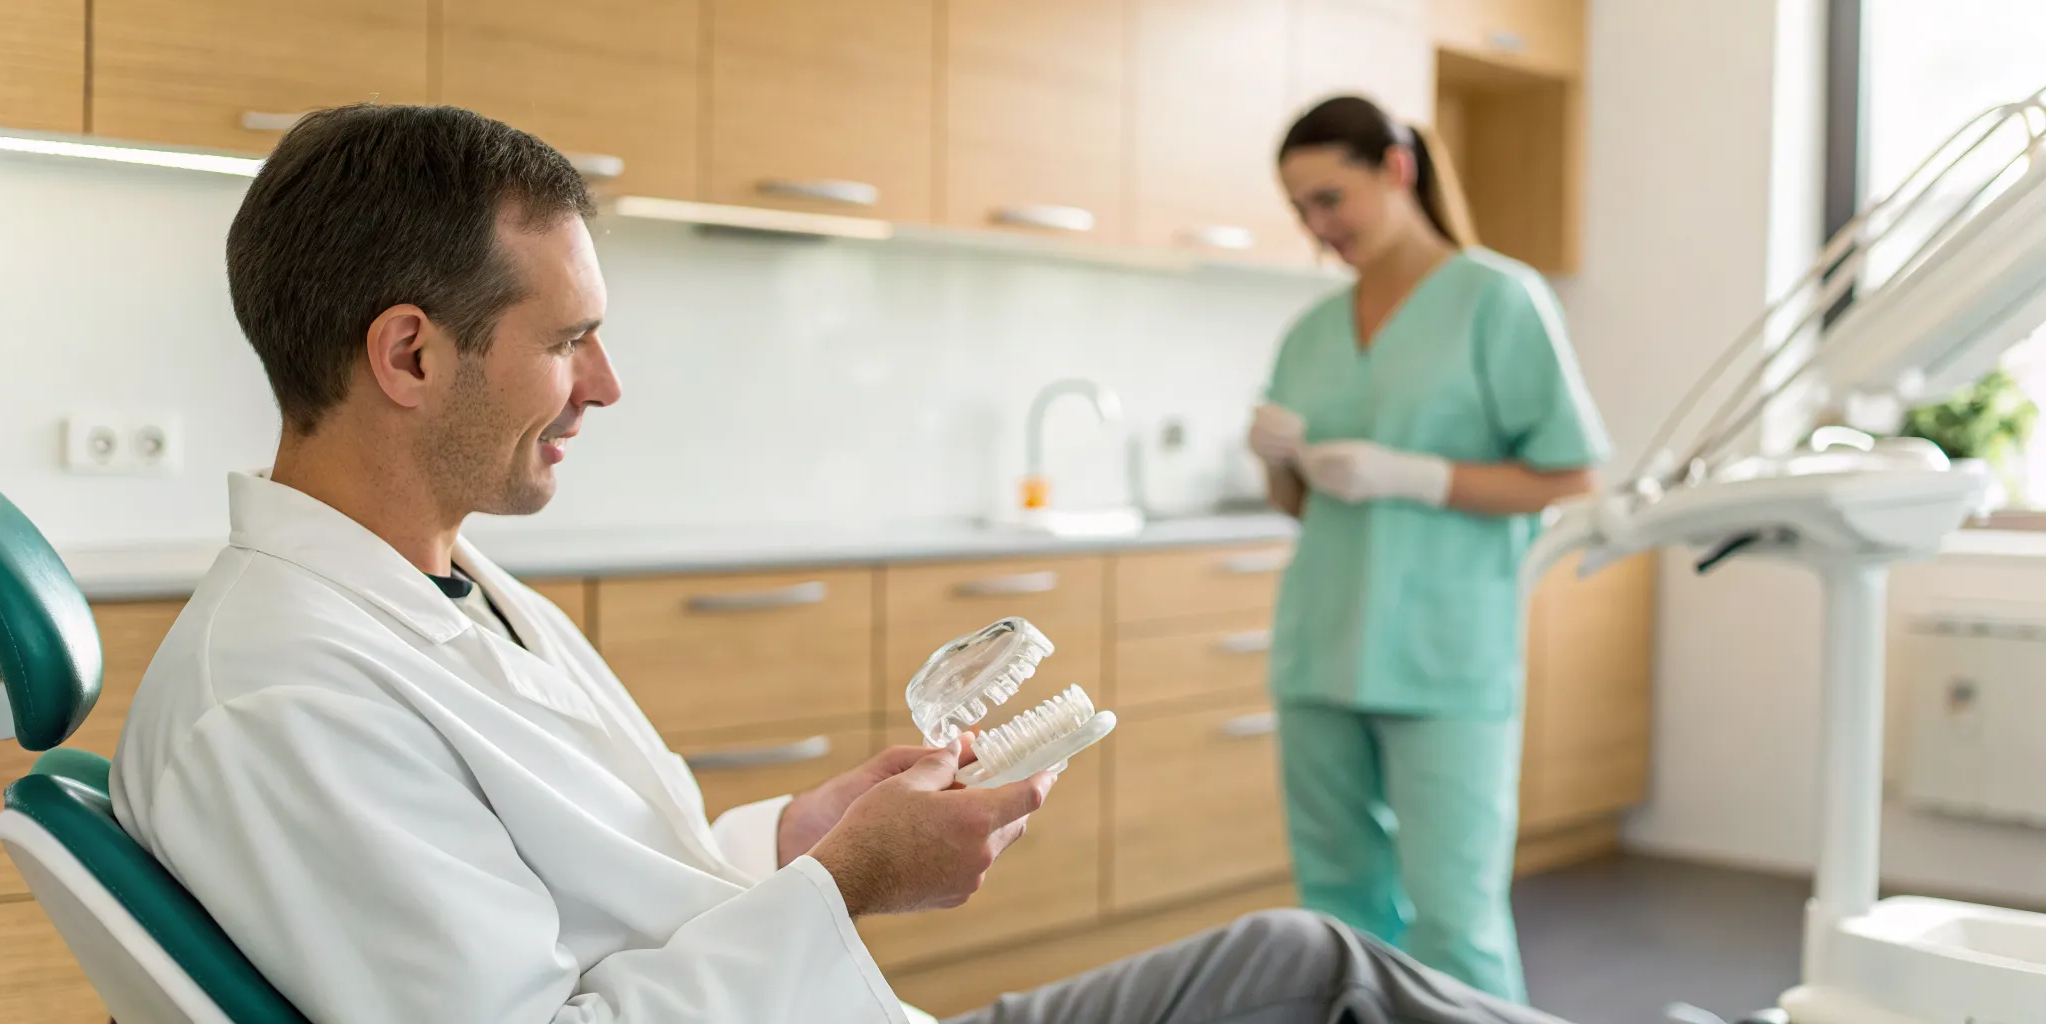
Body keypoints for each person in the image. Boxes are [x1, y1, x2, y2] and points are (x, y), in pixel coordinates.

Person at [109, 102, 1574, 1024]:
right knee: (1323, 979)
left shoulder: (446, 592)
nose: (606, 386)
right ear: (411, 354)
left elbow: (622, 893)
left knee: (1308, 961)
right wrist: (848, 891)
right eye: (567, 341)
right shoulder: (287, 701)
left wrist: (796, 843)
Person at [1247, 95, 1611, 1003]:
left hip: (1446, 652)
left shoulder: (1497, 298)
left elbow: (1572, 480)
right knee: (1339, 911)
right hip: (1321, 646)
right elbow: (1301, 506)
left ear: (1396, 169)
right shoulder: (1311, 332)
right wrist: (1278, 462)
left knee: (1457, 920)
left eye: (1331, 199)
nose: (1318, 227)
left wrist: (1419, 476)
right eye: (1300, 210)